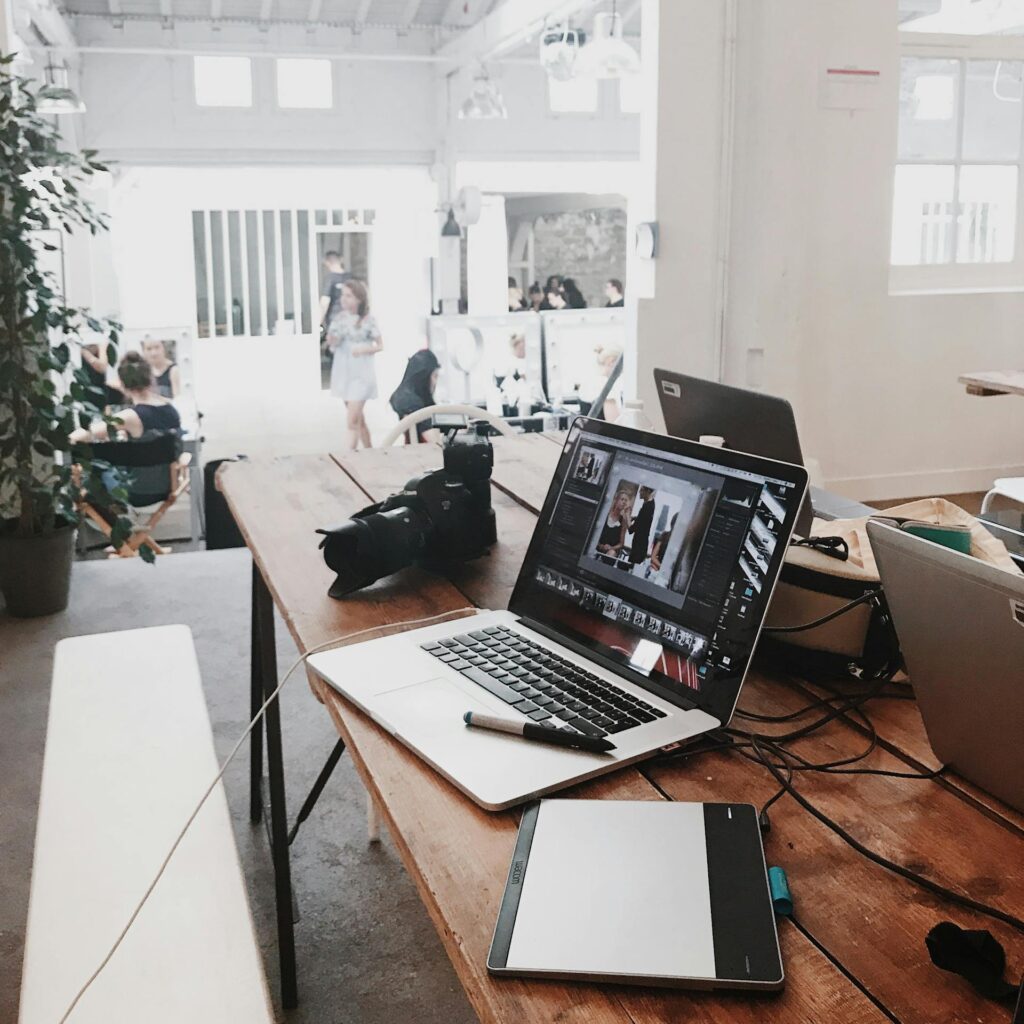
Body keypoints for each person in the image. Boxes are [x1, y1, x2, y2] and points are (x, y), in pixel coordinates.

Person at [70, 351, 182, 504]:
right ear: (150, 378)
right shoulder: (171, 409)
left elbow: (83, 436)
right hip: (166, 486)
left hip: (137, 492)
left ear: (122, 384)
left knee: (95, 469)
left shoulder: (130, 416)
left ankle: (106, 524)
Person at [326, 279, 382, 450]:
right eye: (343, 295)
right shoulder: (339, 319)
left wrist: (364, 349)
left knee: (351, 422)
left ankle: (348, 456)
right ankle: (370, 451)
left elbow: (380, 345)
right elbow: (332, 344)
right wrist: (331, 339)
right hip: (344, 373)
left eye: (349, 296)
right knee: (358, 420)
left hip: (361, 374)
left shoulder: (368, 320)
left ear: (359, 298)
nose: (344, 299)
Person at [389, 349, 441, 443]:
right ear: (424, 377)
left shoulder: (404, 397)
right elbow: (436, 443)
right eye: (435, 376)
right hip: (425, 454)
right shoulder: (411, 403)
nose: (435, 382)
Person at [319, 251, 353, 332]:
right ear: (340, 260)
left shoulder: (330, 279)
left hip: (335, 318)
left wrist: (318, 322)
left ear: (327, 262)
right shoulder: (351, 278)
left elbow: (324, 302)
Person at [596, 489, 632, 560]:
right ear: (616, 500)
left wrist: (611, 548)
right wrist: (600, 546)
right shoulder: (605, 515)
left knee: (611, 553)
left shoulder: (623, 521)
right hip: (598, 547)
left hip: (611, 551)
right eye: (622, 499)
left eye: (626, 500)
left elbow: (621, 544)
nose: (624, 502)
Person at [629, 486, 656, 565]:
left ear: (647, 491)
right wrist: (636, 518)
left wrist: (627, 517)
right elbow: (644, 519)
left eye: (641, 490)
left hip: (639, 546)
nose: (639, 492)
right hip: (641, 544)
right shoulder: (651, 504)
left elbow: (631, 530)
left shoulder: (647, 507)